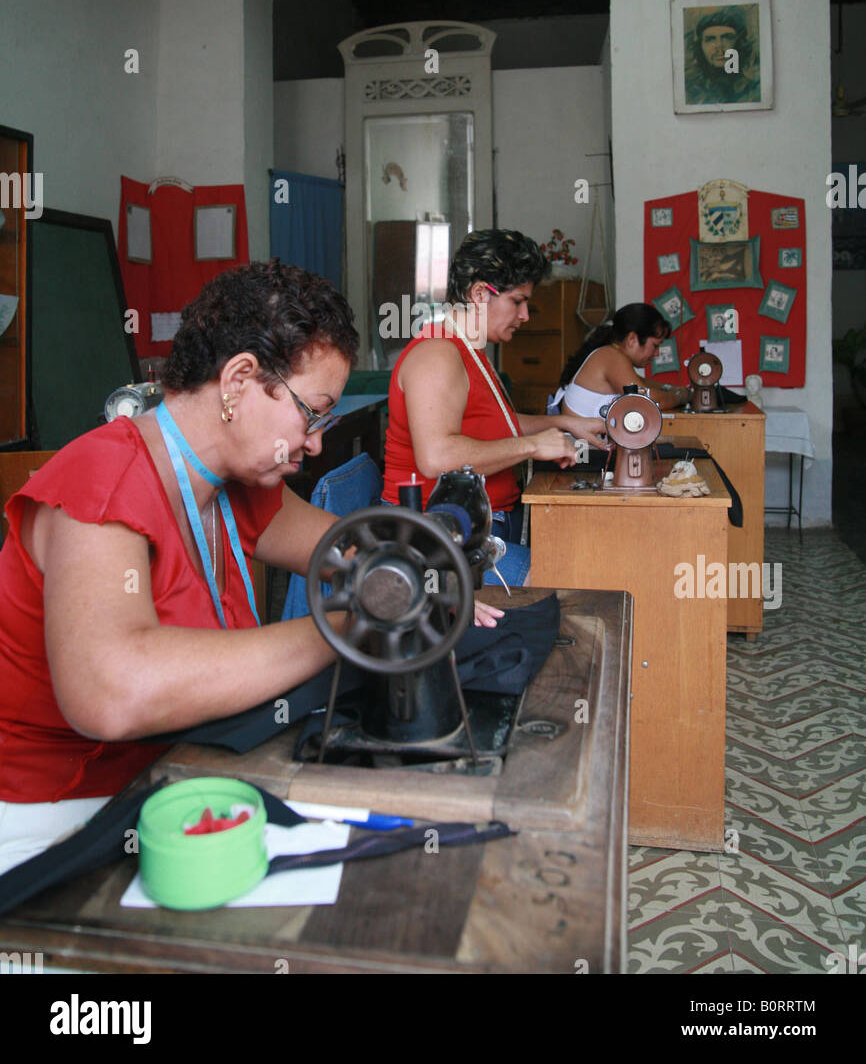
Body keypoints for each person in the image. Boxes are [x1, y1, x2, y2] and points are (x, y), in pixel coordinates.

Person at [0, 260, 504, 875]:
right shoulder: (101, 483)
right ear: (240, 379)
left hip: (180, 777)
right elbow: (112, 693)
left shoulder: (237, 485)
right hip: (54, 823)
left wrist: (414, 577)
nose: (316, 442)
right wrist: (352, 624)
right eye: (312, 413)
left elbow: (354, 551)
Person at [381, 230, 607, 566]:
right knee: (569, 580)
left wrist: (562, 422)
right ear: (478, 293)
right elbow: (437, 456)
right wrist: (533, 446)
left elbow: (494, 425)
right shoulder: (438, 355)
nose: (525, 315)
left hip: (478, 523)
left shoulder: (471, 349)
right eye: (517, 301)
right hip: (439, 534)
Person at [550, 303, 690, 415]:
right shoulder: (611, 356)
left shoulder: (610, 355)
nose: (657, 353)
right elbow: (645, 400)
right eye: (654, 345)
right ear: (632, 339)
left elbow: (642, 383)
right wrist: (680, 396)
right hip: (584, 449)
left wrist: (669, 388)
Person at [684, 5, 761, 106]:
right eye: (711, 39)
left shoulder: (755, 90)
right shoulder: (690, 92)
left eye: (727, 38)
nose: (719, 46)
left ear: (740, 44)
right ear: (700, 47)